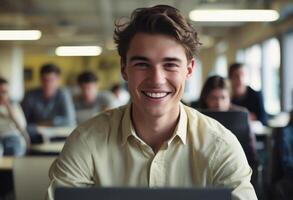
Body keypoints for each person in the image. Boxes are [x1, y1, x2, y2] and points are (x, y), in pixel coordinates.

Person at [47, 5, 257, 200]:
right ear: (124, 69)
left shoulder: (220, 146)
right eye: (142, 64)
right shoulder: (86, 142)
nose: (156, 79)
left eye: (170, 65)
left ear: (189, 69)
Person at [199, 75, 259, 185]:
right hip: (204, 171)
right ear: (205, 98)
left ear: (230, 97)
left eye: (223, 97)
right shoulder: (197, 116)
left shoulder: (241, 115)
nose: (219, 103)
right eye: (213, 98)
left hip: (235, 166)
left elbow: (252, 153)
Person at [21, 63, 76, 144]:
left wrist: (40, 124)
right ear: (40, 80)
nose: (48, 84)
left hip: (59, 137)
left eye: (51, 80)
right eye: (45, 80)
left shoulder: (64, 94)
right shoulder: (30, 96)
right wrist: (53, 123)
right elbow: (22, 122)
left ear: (58, 80)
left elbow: (69, 120)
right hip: (36, 138)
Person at [0, 77, 30, 155]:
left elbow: (22, 126)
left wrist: (9, 108)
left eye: (4, 92)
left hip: (11, 136)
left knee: (14, 149)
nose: (1, 95)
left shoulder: (14, 106)